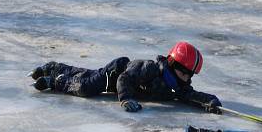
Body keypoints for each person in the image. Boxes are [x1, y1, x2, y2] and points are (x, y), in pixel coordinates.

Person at [29, 41, 222, 113]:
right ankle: (53, 81)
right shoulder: (149, 68)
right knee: (85, 87)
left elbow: (190, 95)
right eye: (185, 73)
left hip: (118, 81)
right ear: (172, 64)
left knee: (85, 73)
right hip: (114, 74)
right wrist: (126, 99)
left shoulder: (176, 85)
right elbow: (124, 79)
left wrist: (210, 102)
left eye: (190, 75)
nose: (187, 79)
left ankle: (53, 67)